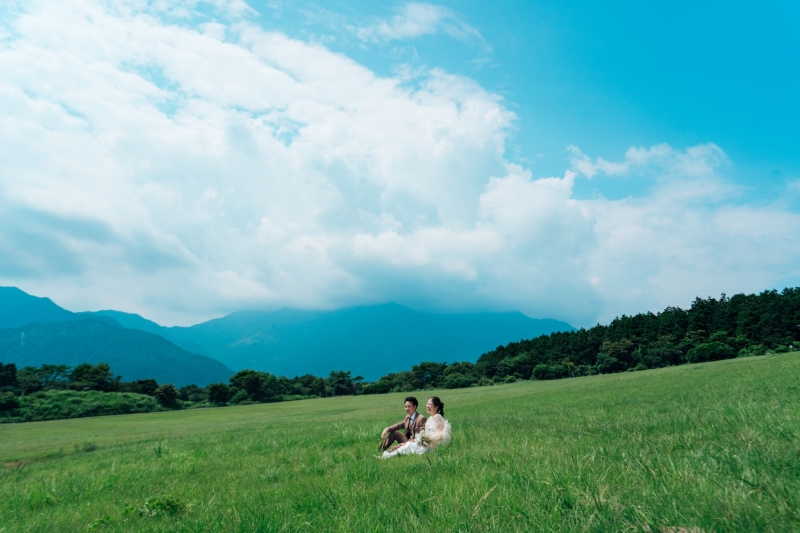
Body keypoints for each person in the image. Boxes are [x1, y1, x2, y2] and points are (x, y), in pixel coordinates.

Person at [381, 396, 451, 458]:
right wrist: (387, 429)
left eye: (429, 404)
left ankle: (386, 456)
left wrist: (424, 440)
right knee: (397, 435)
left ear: (436, 407)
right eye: (427, 404)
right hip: (419, 441)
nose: (427, 406)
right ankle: (382, 452)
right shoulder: (429, 418)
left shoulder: (431, 417)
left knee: (407, 445)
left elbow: (440, 436)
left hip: (425, 444)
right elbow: (399, 425)